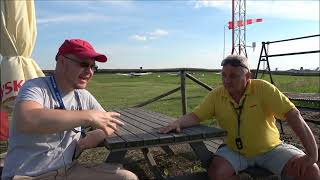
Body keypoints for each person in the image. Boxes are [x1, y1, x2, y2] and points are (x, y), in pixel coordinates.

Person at [159, 55, 320, 180]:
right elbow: (196, 116)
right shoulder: (217, 95)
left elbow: (293, 116)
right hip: (234, 150)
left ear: (248, 76)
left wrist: (312, 155)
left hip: (271, 149)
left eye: (233, 76)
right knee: (217, 174)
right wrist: (178, 122)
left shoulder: (263, 88)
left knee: (311, 171)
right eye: (224, 75)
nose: (227, 81)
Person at [2, 39, 138, 180]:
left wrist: (97, 134)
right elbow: (27, 119)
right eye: (84, 64)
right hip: (26, 175)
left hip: (68, 170)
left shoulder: (83, 95)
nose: (89, 72)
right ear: (61, 62)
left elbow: (112, 123)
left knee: (127, 177)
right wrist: (87, 116)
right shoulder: (35, 87)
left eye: (93, 67)